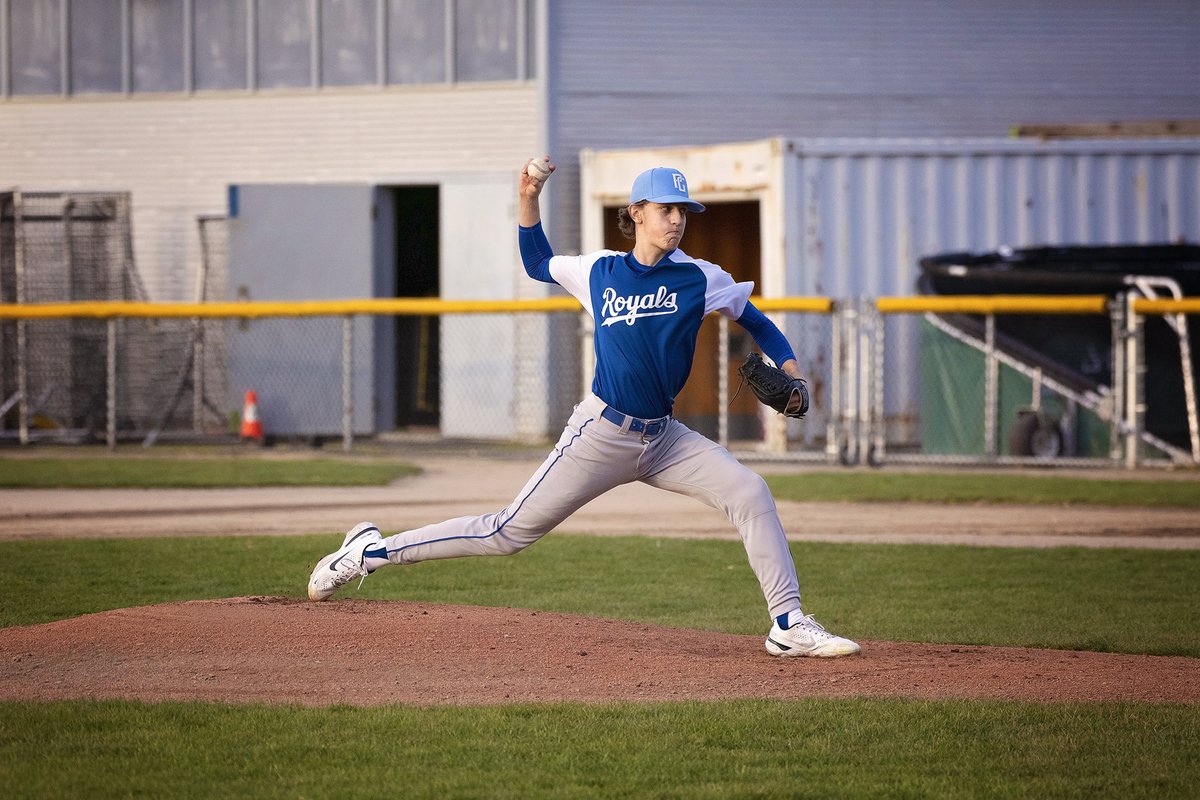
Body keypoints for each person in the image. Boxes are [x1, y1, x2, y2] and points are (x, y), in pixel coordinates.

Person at [307, 158, 861, 658]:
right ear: (636, 213)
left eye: (683, 211)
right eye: (666, 209)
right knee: (506, 533)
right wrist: (528, 199)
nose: (677, 220)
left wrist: (793, 373)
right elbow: (537, 262)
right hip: (601, 433)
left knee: (750, 492)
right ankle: (369, 553)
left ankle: (788, 623)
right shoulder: (599, 270)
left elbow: (758, 322)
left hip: (665, 439)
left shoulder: (700, 277)